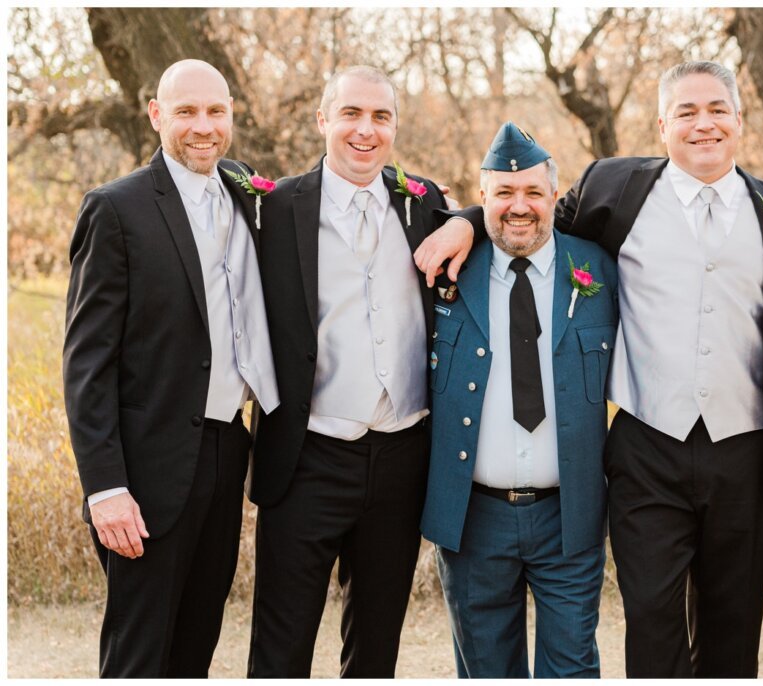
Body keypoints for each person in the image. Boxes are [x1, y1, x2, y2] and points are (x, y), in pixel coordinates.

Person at [415, 60, 763, 677]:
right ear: (661, 124)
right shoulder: (615, 190)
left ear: (740, 120)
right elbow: (525, 217)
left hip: (748, 454)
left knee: (734, 634)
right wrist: (466, 220)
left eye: (716, 110)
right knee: (651, 626)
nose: (703, 125)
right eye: (686, 112)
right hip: (647, 451)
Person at [63, 59, 279, 677]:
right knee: (139, 654)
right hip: (145, 470)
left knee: (195, 647)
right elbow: (86, 364)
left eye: (215, 111)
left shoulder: (245, 191)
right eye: (185, 111)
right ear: (156, 115)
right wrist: (105, 488)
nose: (203, 126)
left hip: (225, 450)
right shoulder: (115, 209)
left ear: (231, 115)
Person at [246, 65, 452, 678]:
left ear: (394, 126)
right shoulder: (275, 208)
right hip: (307, 455)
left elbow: (485, 219)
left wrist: (466, 218)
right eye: (351, 115)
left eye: (381, 117)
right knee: (281, 647)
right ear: (323, 121)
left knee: (376, 648)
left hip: (402, 456)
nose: (366, 130)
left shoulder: (425, 203)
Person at [420, 122, 618, 678]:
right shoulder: (445, 270)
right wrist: (460, 224)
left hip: (570, 515)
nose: (519, 206)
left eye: (533, 192)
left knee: (572, 668)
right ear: (481, 197)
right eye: (503, 193)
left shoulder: (600, 267)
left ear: (555, 195)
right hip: (472, 517)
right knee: (486, 671)